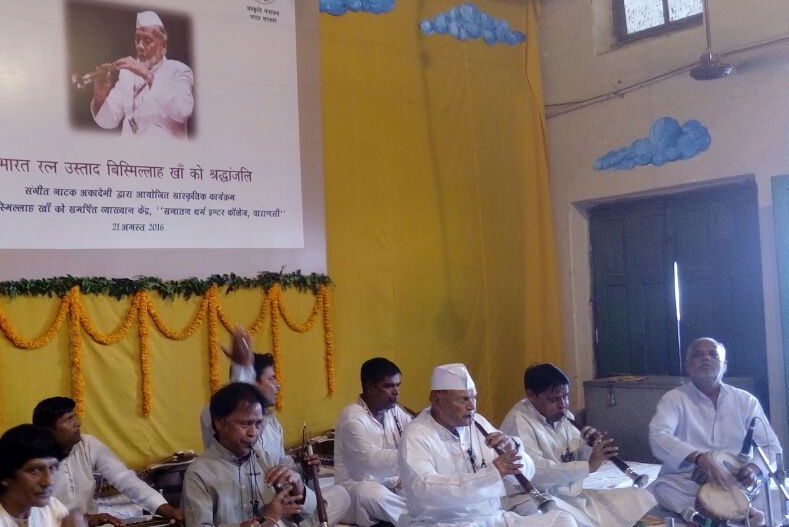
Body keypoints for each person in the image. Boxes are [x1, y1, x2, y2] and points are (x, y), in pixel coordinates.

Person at [198, 327, 349, 526]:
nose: (278, 385)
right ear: (252, 383)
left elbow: (281, 465)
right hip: (253, 515)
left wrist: (301, 471)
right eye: (271, 378)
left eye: (257, 424)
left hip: (279, 505)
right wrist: (242, 368)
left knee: (342, 495)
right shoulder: (214, 416)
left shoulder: (272, 422)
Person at [398, 363, 578, 527]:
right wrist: (491, 475)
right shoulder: (417, 433)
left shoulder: (478, 422)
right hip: (444, 522)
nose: (472, 406)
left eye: (474, 398)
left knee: (563, 521)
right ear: (436, 400)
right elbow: (425, 491)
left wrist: (513, 450)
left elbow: (528, 473)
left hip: (492, 518)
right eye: (463, 399)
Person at [499, 363, 655, 527]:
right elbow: (535, 472)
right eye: (554, 399)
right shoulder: (518, 421)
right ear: (531, 395)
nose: (563, 404)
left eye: (565, 396)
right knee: (563, 520)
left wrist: (590, 446)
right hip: (530, 498)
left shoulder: (564, 415)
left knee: (639, 497)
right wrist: (588, 466)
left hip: (566, 493)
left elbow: (573, 457)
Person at [649, 337, 782, 525]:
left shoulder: (746, 401)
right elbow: (658, 436)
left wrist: (752, 469)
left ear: (724, 365)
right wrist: (698, 458)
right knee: (662, 488)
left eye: (713, 354)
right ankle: (741, 515)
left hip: (735, 482)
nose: (706, 358)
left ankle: (715, 516)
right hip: (689, 481)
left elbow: (771, 447)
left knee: (778, 494)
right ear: (688, 366)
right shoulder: (674, 399)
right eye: (698, 355)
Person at [32, 397, 183, 527]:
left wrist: (164, 508)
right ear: (48, 430)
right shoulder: (33, 462)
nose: (77, 423)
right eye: (69, 419)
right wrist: (86, 519)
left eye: (75, 416)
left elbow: (124, 478)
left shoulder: (87, 444)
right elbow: (34, 513)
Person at [183, 382, 315, 527]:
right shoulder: (199, 473)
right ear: (219, 423)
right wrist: (265, 520)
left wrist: (297, 485)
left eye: (258, 424)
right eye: (245, 424)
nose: (253, 433)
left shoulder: (264, 458)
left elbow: (303, 516)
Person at [90, 10, 194, 139]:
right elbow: (108, 121)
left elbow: (182, 112)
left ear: (163, 46)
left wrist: (146, 75)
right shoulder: (126, 74)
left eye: (147, 40)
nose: (140, 46)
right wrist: (100, 95)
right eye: (137, 39)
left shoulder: (179, 71)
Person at [333, 357, 411, 526]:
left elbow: (414, 434)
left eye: (398, 385)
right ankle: (417, 520)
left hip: (393, 488)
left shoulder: (394, 411)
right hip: (355, 491)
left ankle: (413, 515)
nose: (396, 392)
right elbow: (371, 461)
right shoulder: (352, 418)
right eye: (389, 386)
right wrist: (412, 456)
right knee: (368, 493)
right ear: (370, 388)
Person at [0, 424, 86, 527]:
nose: (49, 481)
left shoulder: (52, 508)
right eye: (34, 470)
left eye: (53, 467)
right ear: (5, 477)